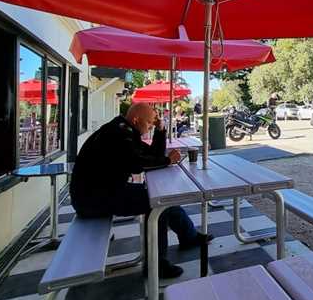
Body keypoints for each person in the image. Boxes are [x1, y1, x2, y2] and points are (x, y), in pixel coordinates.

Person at [69, 102, 211, 279]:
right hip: (92, 200)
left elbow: (151, 155)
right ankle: (155, 265)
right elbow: (136, 164)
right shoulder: (117, 133)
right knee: (158, 202)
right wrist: (167, 161)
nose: (151, 125)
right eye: (150, 122)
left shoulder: (124, 130)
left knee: (162, 198)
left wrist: (160, 130)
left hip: (99, 192)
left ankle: (188, 236)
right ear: (136, 120)